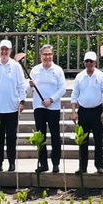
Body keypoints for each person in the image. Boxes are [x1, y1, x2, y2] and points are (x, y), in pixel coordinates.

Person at [0, 39, 26, 172]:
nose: (4, 52)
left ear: (10, 51)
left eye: (6, 49)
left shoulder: (15, 66)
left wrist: (22, 101)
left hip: (12, 107)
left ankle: (12, 163)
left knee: (11, 138)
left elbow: (21, 85)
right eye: (2, 49)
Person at [70, 50, 103, 174]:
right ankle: (82, 166)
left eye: (91, 61)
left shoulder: (101, 76)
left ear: (95, 62)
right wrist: (73, 111)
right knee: (83, 140)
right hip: (83, 111)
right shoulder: (80, 76)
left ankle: (99, 165)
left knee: (98, 140)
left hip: (97, 110)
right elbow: (74, 94)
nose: (89, 63)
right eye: (87, 61)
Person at [30, 44, 66, 174]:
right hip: (39, 107)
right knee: (41, 136)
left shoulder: (58, 70)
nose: (47, 57)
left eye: (49, 54)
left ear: (53, 55)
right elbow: (28, 89)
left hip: (53, 107)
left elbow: (62, 89)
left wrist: (51, 99)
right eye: (45, 54)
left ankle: (55, 163)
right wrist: (30, 85)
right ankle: (43, 163)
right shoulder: (35, 70)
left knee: (55, 136)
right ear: (41, 56)